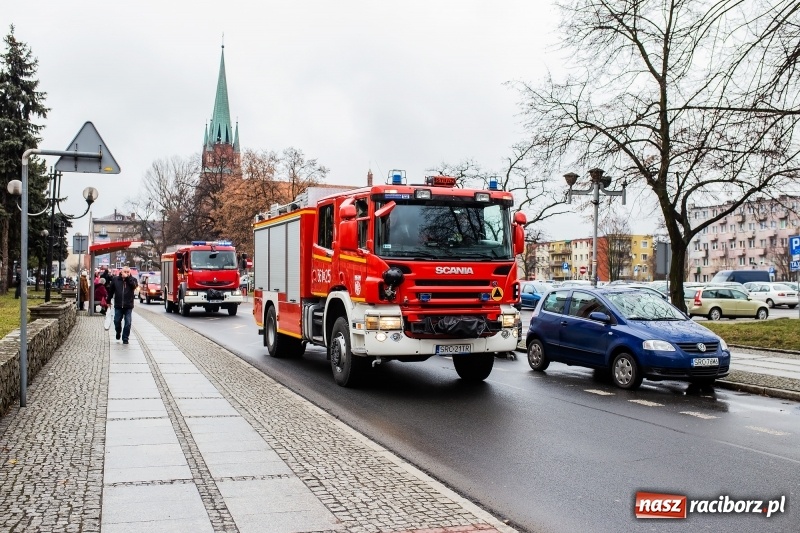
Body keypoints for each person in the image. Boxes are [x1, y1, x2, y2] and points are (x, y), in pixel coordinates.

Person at [106, 266, 138, 344]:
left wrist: (128, 278)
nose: (126, 273)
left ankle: (125, 338)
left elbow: (134, 286)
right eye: (125, 272)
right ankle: (118, 331)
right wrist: (108, 301)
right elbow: (111, 291)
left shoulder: (133, 280)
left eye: (128, 272)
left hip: (128, 305)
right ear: (121, 272)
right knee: (116, 321)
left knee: (128, 322)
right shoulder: (115, 280)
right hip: (118, 305)